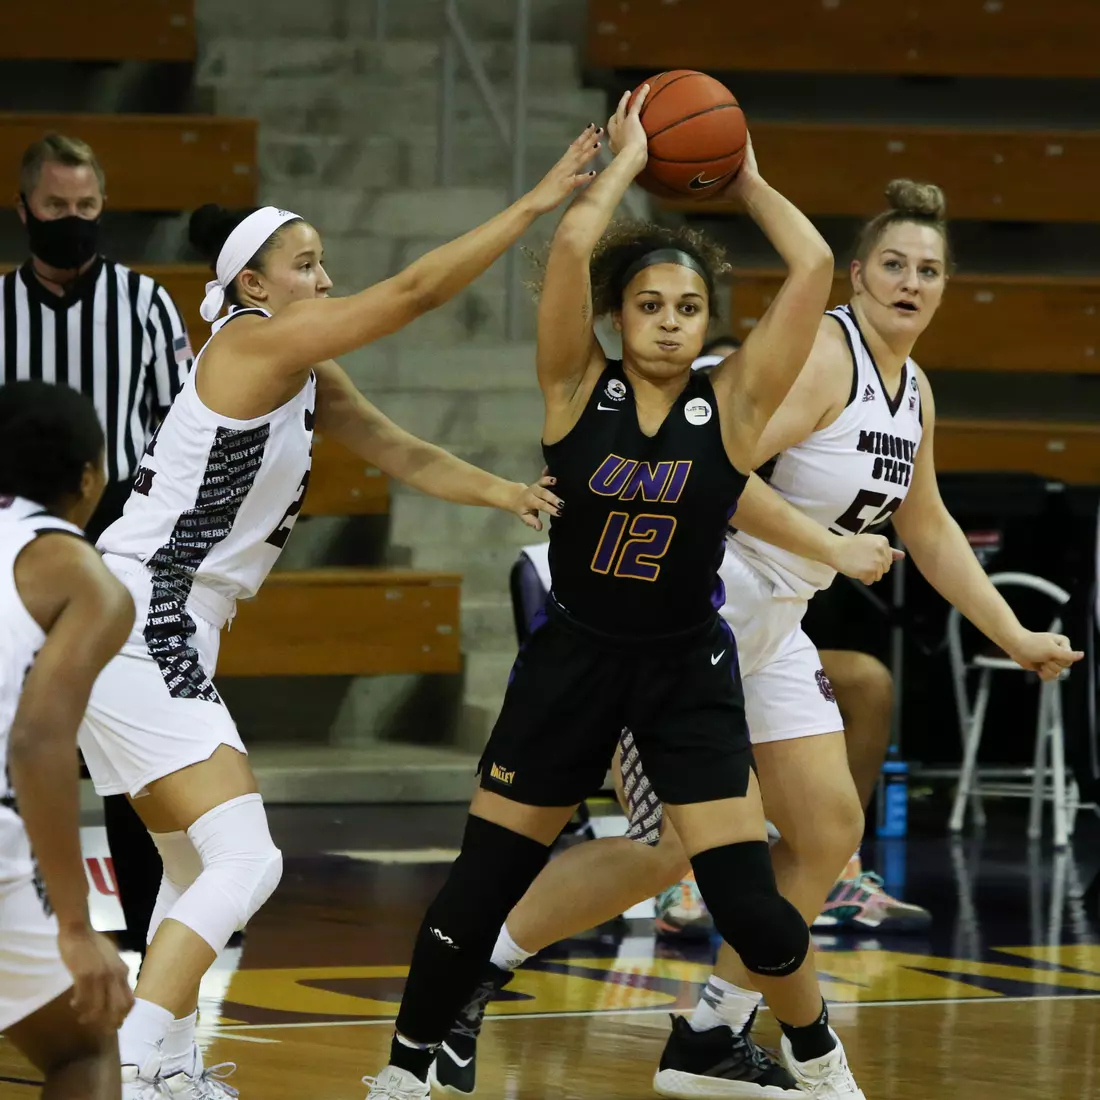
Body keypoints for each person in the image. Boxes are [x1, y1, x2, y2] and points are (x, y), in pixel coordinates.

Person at [436, 179, 1084, 1099]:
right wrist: (828, 544)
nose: (911, 281)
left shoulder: (915, 393)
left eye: (929, 270)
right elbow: (715, 474)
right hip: (699, 599)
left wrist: (1014, 633)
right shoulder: (824, 355)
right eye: (894, 264)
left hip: (778, 622)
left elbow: (928, 526)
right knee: (668, 851)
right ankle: (470, 979)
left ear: (945, 288)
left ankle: (711, 1031)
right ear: (856, 275)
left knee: (826, 833)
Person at [364, 87, 881, 1100]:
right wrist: (622, 168)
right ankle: (399, 1074)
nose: (669, 322)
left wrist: (744, 179)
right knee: (475, 886)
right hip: (572, 661)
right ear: (617, 314)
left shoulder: (731, 404)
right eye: (650, 304)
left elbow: (814, 267)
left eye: (687, 307)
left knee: (748, 899)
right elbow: (566, 253)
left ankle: (818, 1060)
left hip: (686, 668)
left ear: (705, 322)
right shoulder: (572, 388)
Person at [72, 127, 606, 1100]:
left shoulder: (297, 369)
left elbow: (396, 448)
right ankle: (132, 1057)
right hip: (147, 609)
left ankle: (165, 1065)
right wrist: (534, 204)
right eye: (307, 265)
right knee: (247, 857)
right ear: (251, 288)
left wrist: (505, 494)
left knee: (192, 863)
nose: (326, 279)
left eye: (325, 263)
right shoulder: (255, 344)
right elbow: (411, 295)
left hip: (146, 617)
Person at [1, 131, 196, 956]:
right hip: (12, 545)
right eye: (56, 208)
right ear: (24, 210)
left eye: (86, 208)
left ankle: (149, 947)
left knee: (127, 756)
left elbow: (181, 431)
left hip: (123, 538)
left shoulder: (147, 304)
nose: (72, 222)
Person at [0, 380, 136, 1100]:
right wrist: (78, 928)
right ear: (88, 478)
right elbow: (37, 741)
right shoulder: (83, 577)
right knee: (85, 1047)